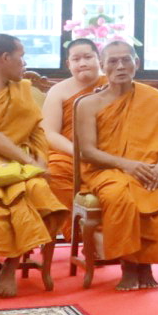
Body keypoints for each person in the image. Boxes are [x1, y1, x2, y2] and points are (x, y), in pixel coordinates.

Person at [74, 40, 158, 290]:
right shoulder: (89, 104)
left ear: (137, 63)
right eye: (112, 61)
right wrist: (128, 166)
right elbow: (88, 152)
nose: (120, 66)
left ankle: (148, 264)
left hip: (153, 167)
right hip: (107, 169)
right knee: (121, 196)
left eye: (126, 60)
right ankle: (130, 265)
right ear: (103, 66)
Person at [0, 33, 67, 296]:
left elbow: (36, 130)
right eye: (21, 57)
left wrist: (40, 159)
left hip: (24, 163)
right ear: (5, 58)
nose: (24, 64)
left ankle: (12, 265)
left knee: (38, 192)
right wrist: (28, 161)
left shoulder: (22, 89)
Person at [42, 37, 104, 209]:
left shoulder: (113, 87)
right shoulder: (58, 91)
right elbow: (50, 133)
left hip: (107, 153)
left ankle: (108, 231)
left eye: (88, 57)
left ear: (99, 59)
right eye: (76, 59)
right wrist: (78, 152)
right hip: (69, 155)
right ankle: (77, 232)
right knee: (53, 175)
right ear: (68, 63)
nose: (82, 63)